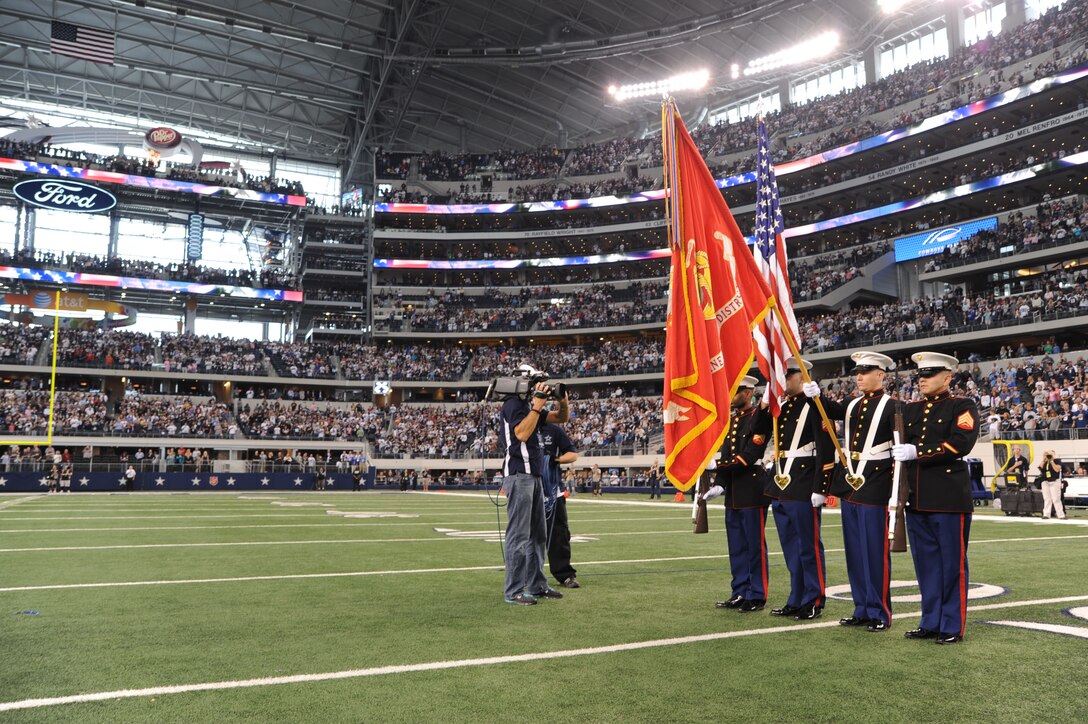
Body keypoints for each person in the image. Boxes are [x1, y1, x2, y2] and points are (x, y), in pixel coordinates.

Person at [892, 351, 980, 645]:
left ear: (947, 377)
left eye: (929, 375)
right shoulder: (911, 409)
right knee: (926, 565)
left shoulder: (962, 405)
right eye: (920, 376)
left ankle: (952, 625)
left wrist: (919, 452)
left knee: (952, 565)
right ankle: (930, 621)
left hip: (948, 499)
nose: (923, 380)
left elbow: (961, 443)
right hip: (918, 499)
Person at [808, 351, 898, 632]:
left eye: (866, 371)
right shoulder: (851, 403)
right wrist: (816, 396)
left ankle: (880, 612)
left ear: (881, 374)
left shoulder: (894, 406)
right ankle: (861, 607)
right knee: (855, 552)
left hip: (875, 482)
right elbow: (829, 411)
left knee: (874, 552)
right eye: (857, 372)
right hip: (851, 483)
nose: (858, 376)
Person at [765, 356, 833, 621]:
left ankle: (814, 599)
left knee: (808, 546)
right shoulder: (782, 406)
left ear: (802, 375)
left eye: (788, 375)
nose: (784, 380)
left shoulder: (813, 404)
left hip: (805, 482)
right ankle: (796, 597)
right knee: (791, 547)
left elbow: (825, 446)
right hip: (783, 481)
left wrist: (821, 487)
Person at [498, 365, 570, 605]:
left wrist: (562, 400)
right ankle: (514, 591)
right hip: (519, 475)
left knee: (539, 536)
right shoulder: (513, 405)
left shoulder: (529, 406)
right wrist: (538, 404)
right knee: (518, 536)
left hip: (536, 475)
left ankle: (537, 585)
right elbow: (521, 433)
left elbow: (561, 418)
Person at [702, 375, 772, 613]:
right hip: (733, 492)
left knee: (754, 546)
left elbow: (748, 457)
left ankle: (757, 594)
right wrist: (720, 483)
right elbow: (726, 454)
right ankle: (740, 591)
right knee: (737, 547)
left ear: (749, 393)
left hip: (752, 489)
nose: (732, 395)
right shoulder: (731, 421)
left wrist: (717, 468)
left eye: (737, 390)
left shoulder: (758, 419)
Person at [541, 421, 580, 589]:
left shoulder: (554, 429)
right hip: (529, 490)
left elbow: (572, 454)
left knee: (559, 534)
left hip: (552, 490)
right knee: (527, 535)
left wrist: (554, 459)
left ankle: (564, 574)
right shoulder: (521, 425)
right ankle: (527, 575)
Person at [1038, 450, 1066, 520]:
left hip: (1055, 481)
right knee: (1047, 499)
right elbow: (1040, 468)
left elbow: (1057, 469)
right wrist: (1044, 459)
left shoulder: (1057, 461)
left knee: (1056, 499)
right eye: (1047, 454)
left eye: (1049, 454)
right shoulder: (1045, 462)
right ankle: (1046, 514)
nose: (1048, 455)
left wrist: (1052, 461)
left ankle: (1061, 515)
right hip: (1045, 481)